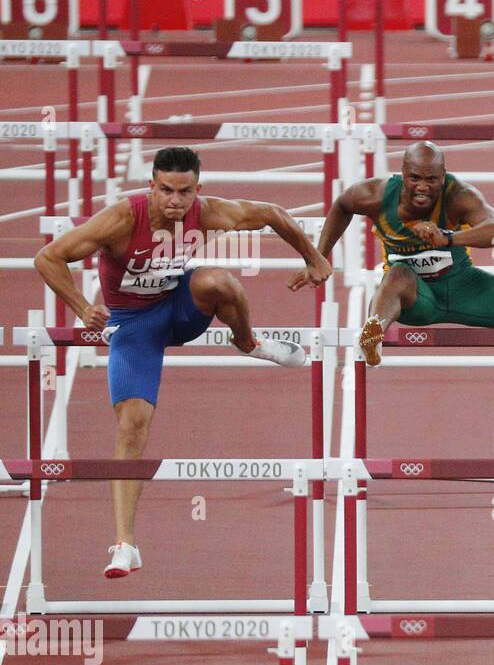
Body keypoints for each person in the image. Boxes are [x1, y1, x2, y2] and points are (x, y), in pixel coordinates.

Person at [34, 146, 332, 578]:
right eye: (167, 190)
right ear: (152, 186)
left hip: (179, 308)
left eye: (185, 192)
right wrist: (81, 307)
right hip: (134, 326)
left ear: (197, 189)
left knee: (220, 281)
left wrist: (315, 258)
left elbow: (271, 213)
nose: (175, 200)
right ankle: (125, 544)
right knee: (132, 424)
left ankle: (248, 343)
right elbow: (48, 257)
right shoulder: (120, 219)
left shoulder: (206, 212)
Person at [318, 141, 494, 368]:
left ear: (443, 176)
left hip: (463, 285)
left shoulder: (459, 195)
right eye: (415, 178)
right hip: (415, 297)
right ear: (403, 173)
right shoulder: (375, 195)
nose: (422, 187)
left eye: (431, 180)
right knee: (398, 274)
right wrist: (319, 256)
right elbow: (342, 206)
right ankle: (373, 333)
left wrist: (449, 237)